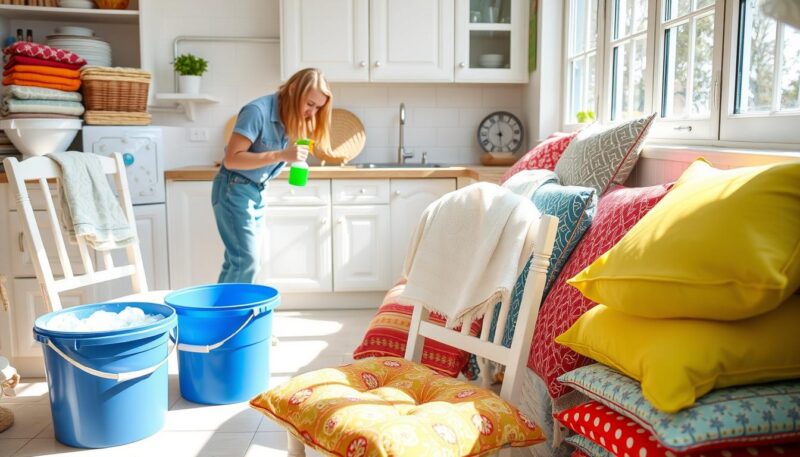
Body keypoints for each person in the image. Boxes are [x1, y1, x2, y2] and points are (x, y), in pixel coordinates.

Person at [212, 68, 332, 284]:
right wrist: (281, 154)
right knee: (246, 260)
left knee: (238, 261)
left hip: (256, 191)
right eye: (310, 104)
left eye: (317, 107)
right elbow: (232, 159)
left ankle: (222, 314)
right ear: (293, 89)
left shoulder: (288, 115)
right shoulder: (256, 112)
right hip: (234, 188)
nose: (312, 112)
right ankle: (233, 314)